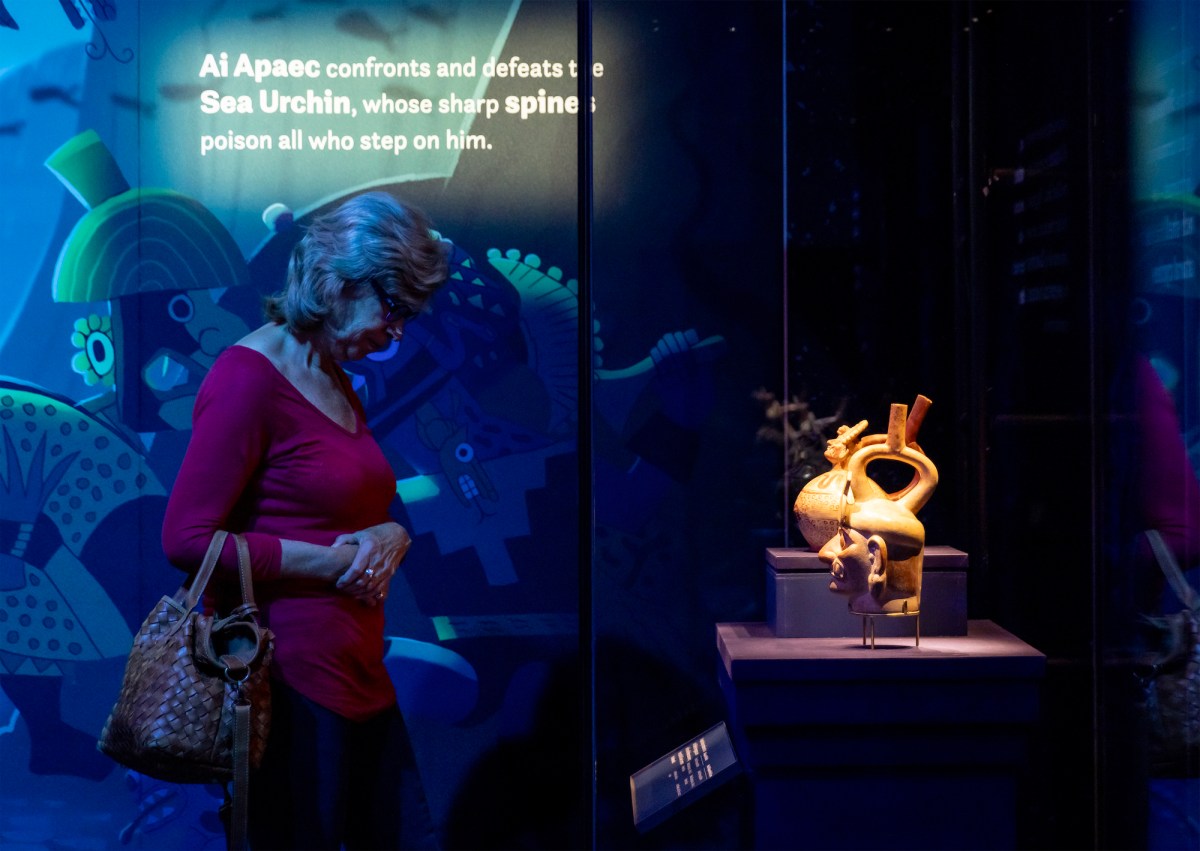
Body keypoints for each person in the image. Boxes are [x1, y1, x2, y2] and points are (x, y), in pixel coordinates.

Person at [161, 191, 449, 849]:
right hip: (288, 692)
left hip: (361, 677)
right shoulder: (249, 378)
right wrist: (328, 561)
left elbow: (357, 500)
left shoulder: (338, 378)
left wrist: (392, 533)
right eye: (394, 306)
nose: (399, 329)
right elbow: (185, 538)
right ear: (339, 281)